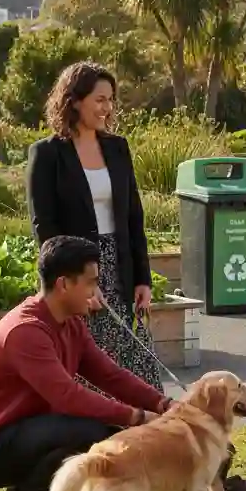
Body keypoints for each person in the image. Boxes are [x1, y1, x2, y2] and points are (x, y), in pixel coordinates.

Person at [0, 236, 174, 491]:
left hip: (28, 430)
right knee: (94, 433)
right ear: (63, 285)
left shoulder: (70, 323)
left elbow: (108, 374)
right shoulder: (26, 330)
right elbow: (67, 396)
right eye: (91, 282)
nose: (97, 291)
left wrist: (162, 403)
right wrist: (136, 416)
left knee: (95, 432)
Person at [27, 61, 163, 391]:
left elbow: (134, 216)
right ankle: (93, 433)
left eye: (111, 99)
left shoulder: (118, 148)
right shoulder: (46, 154)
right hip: (74, 270)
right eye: (100, 99)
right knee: (87, 365)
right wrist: (78, 277)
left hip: (119, 263)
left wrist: (143, 278)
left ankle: (150, 434)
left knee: (136, 362)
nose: (108, 108)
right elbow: (44, 227)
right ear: (74, 100)